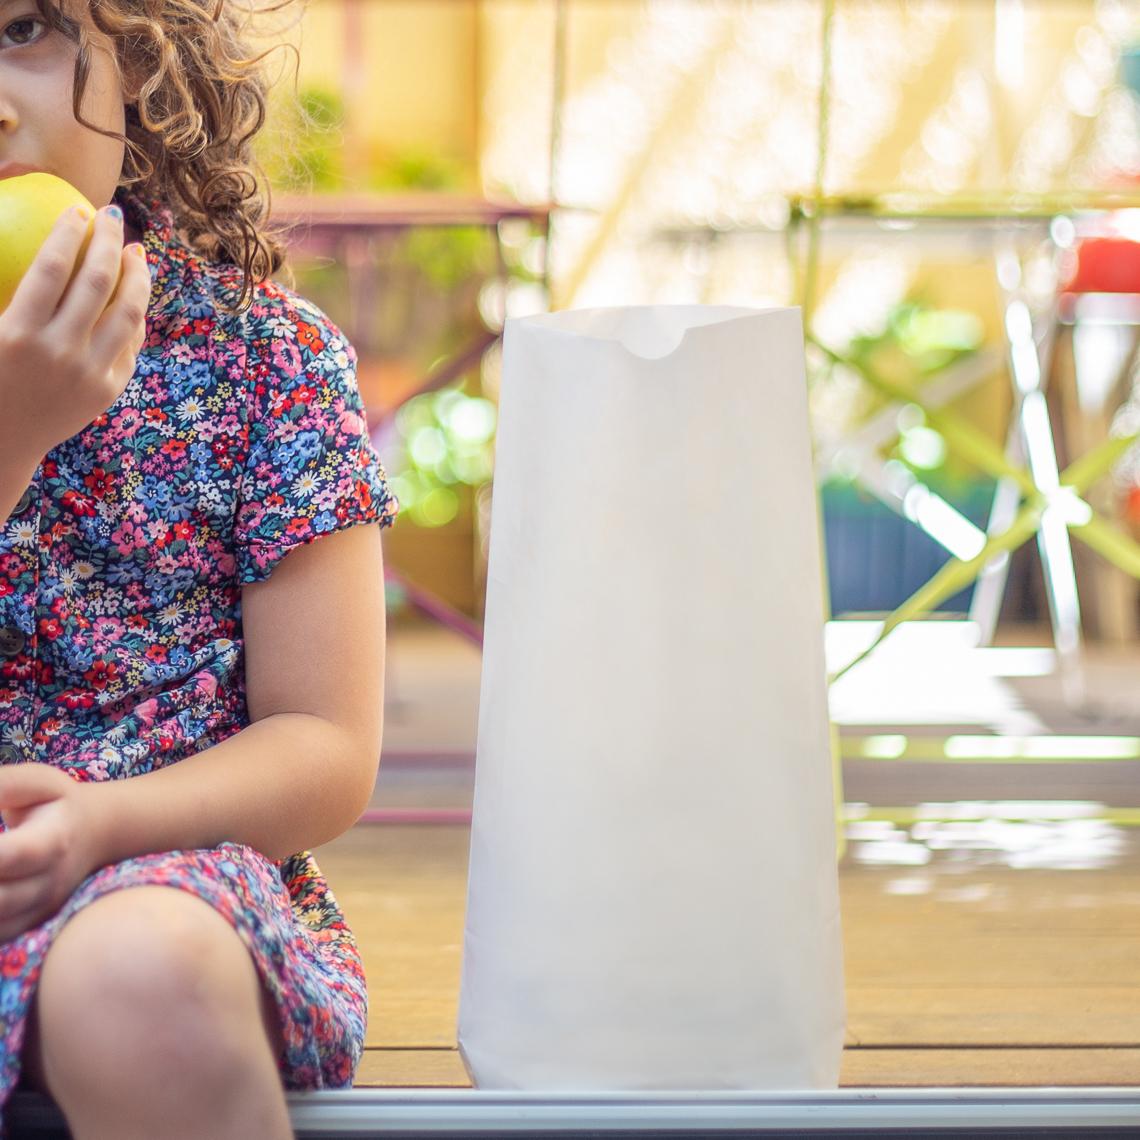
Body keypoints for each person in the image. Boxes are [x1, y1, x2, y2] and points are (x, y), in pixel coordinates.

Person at [0, 1, 399, 1136]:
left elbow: (325, 743)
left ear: (140, 58)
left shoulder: (266, 357)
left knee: (141, 983)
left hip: (160, 870)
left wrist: (101, 825)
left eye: (24, 29)